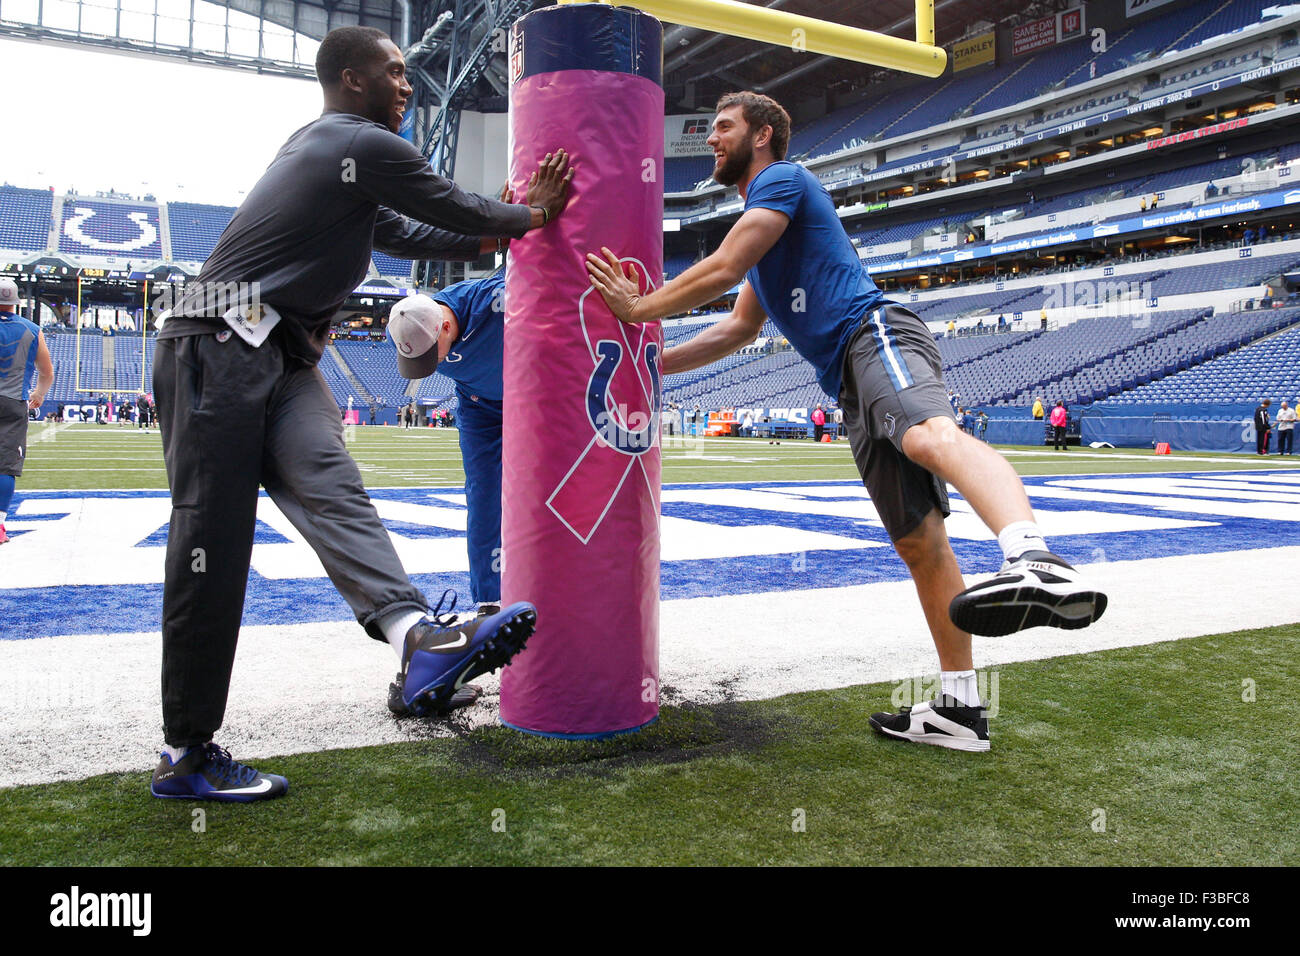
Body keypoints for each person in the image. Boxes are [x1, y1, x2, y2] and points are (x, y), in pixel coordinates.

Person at [586, 90, 1107, 753]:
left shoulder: (780, 181)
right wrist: (651, 365)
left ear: (764, 135)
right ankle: (961, 708)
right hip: (844, 375)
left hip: (874, 335)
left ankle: (1035, 558)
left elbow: (722, 266)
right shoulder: (767, 219)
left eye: (723, 128)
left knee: (928, 435)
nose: (711, 140)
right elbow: (738, 327)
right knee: (919, 542)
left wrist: (639, 310)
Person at [147, 25, 573, 802]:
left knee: (337, 492)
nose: (408, 85)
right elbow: (441, 200)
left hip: (283, 354)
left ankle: (420, 642)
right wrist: (532, 218)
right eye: (396, 72)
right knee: (213, 543)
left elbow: (413, 229)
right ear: (351, 79)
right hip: (217, 341)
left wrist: (497, 224)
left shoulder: (345, 159)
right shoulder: (359, 143)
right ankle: (187, 753)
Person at [0, 277, 54, 545]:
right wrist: (39, 394)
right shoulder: (32, 329)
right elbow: (47, 372)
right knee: (6, 467)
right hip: (13, 401)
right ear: (15, 303)